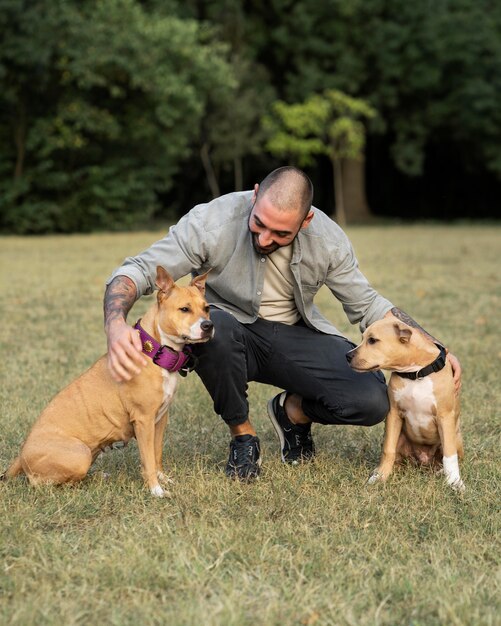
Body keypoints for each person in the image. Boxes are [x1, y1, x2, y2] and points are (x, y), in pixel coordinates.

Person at [104, 166, 461, 480]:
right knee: (217, 330)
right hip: (229, 331)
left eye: (280, 234)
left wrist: (434, 349)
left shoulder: (327, 238)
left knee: (370, 400)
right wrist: (116, 324)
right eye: (258, 224)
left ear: (305, 221)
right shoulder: (213, 221)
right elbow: (137, 270)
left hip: (296, 336)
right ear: (256, 194)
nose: (263, 239)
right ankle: (243, 436)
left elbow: (367, 304)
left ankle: (292, 412)